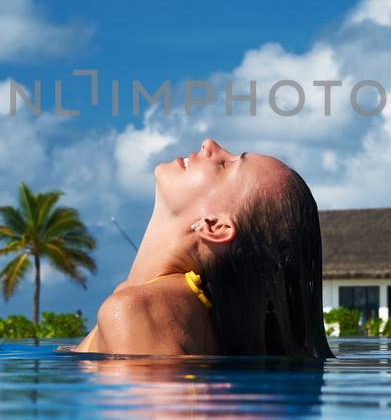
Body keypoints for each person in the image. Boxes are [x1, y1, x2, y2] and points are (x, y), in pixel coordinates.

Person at [75, 138, 334, 358]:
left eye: (225, 165)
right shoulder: (144, 302)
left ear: (215, 226)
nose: (209, 144)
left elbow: (147, 417)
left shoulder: (135, 311)